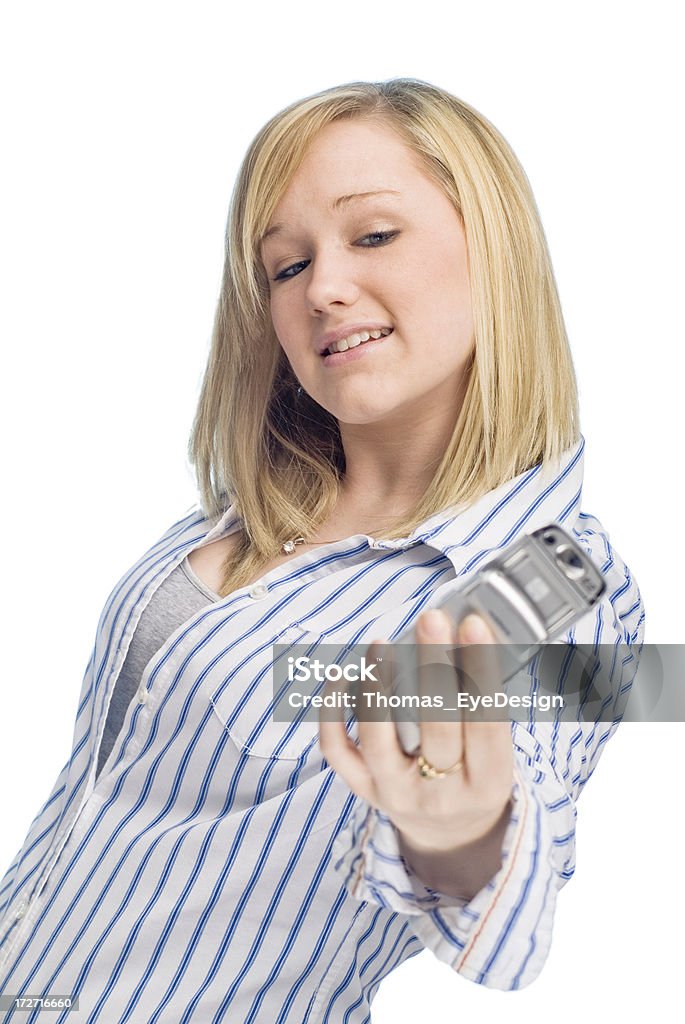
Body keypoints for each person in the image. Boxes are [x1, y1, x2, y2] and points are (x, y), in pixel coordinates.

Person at [0, 79, 644, 1021]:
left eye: (373, 236)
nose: (324, 288)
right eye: (284, 266)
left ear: (494, 251)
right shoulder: (231, 522)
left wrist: (462, 832)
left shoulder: (545, 579)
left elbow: (507, 892)